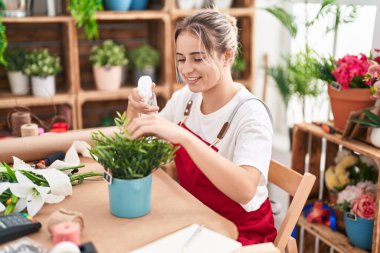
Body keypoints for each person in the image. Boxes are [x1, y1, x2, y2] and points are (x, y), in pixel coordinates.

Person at [126, 9, 277, 245]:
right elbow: (142, 153)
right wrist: (133, 114)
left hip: (239, 233)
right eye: (181, 58)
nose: (186, 69)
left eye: (197, 58)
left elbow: (246, 189)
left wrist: (184, 138)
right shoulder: (185, 99)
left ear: (227, 56)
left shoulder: (250, 114)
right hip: (197, 218)